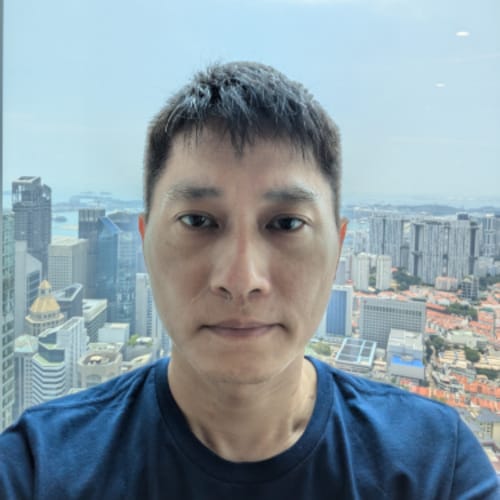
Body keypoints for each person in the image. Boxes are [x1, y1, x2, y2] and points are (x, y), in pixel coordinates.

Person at [0, 61, 497, 500]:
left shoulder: (436, 467)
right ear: (145, 244)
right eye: (198, 221)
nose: (241, 280)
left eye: (286, 223)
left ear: (338, 249)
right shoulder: (36, 468)